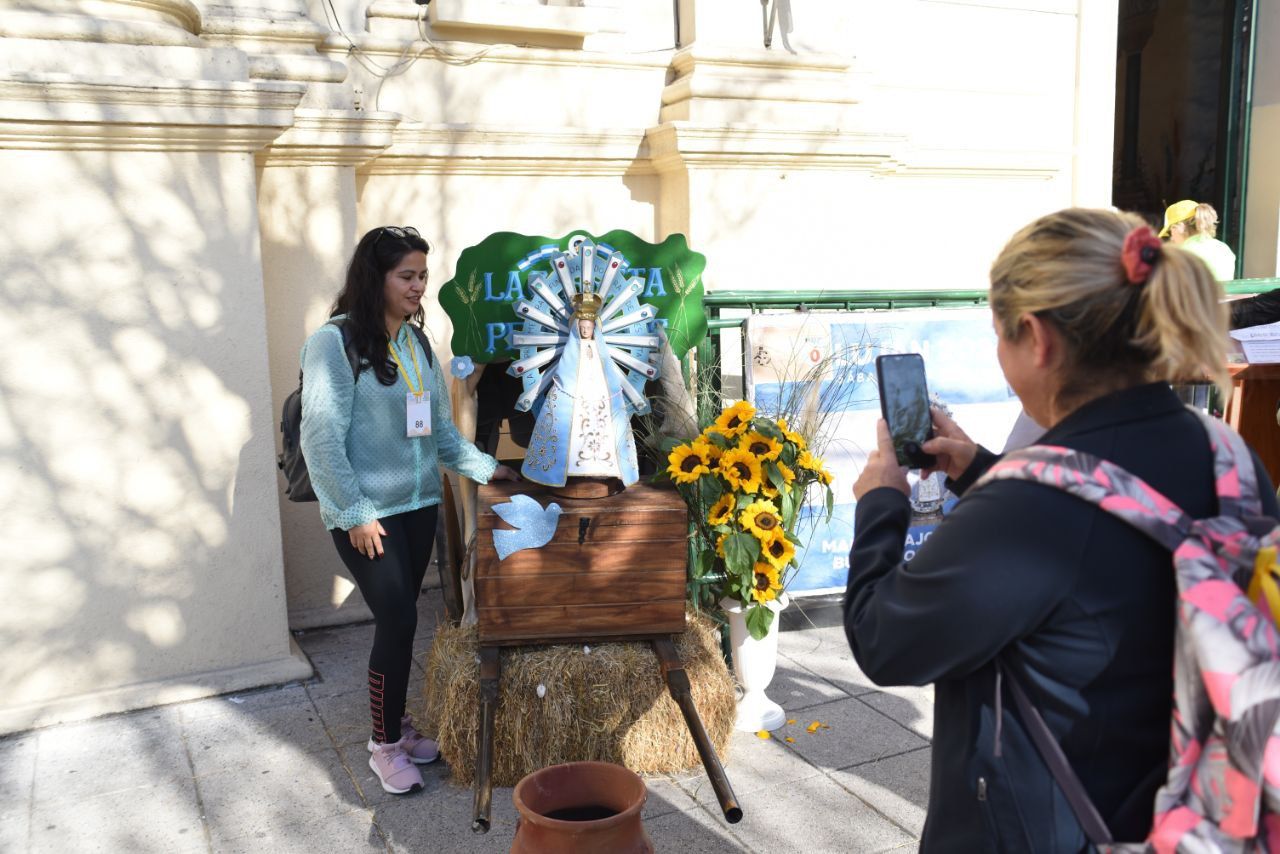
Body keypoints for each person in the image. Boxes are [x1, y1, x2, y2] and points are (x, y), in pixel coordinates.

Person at [843, 208, 1278, 850]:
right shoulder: (1227, 454)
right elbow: (1118, 530)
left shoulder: (1029, 511)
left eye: (1001, 334)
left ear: (1039, 339)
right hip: (1195, 810)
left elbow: (885, 640)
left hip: (1050, 826)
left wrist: (880, 502)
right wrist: (980, 470)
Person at [300, 225, 519, 795]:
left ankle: (397, 721)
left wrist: (488, 468)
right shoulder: (334, 342)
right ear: (376, 278)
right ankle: (384, 744)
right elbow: (320, 441)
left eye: (423, 275)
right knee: (396, 619)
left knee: (406, 622)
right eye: (407, 276)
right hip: (367, 514)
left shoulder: (418, 345)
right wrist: (353, 512)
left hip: (420, 505)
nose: (419, 286)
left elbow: (439, 435)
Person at [1160, 199, 1237, 281]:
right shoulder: (1224, 249)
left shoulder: (1181, 255)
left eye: (1169, 232)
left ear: (1178, 227)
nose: (1171, 238)